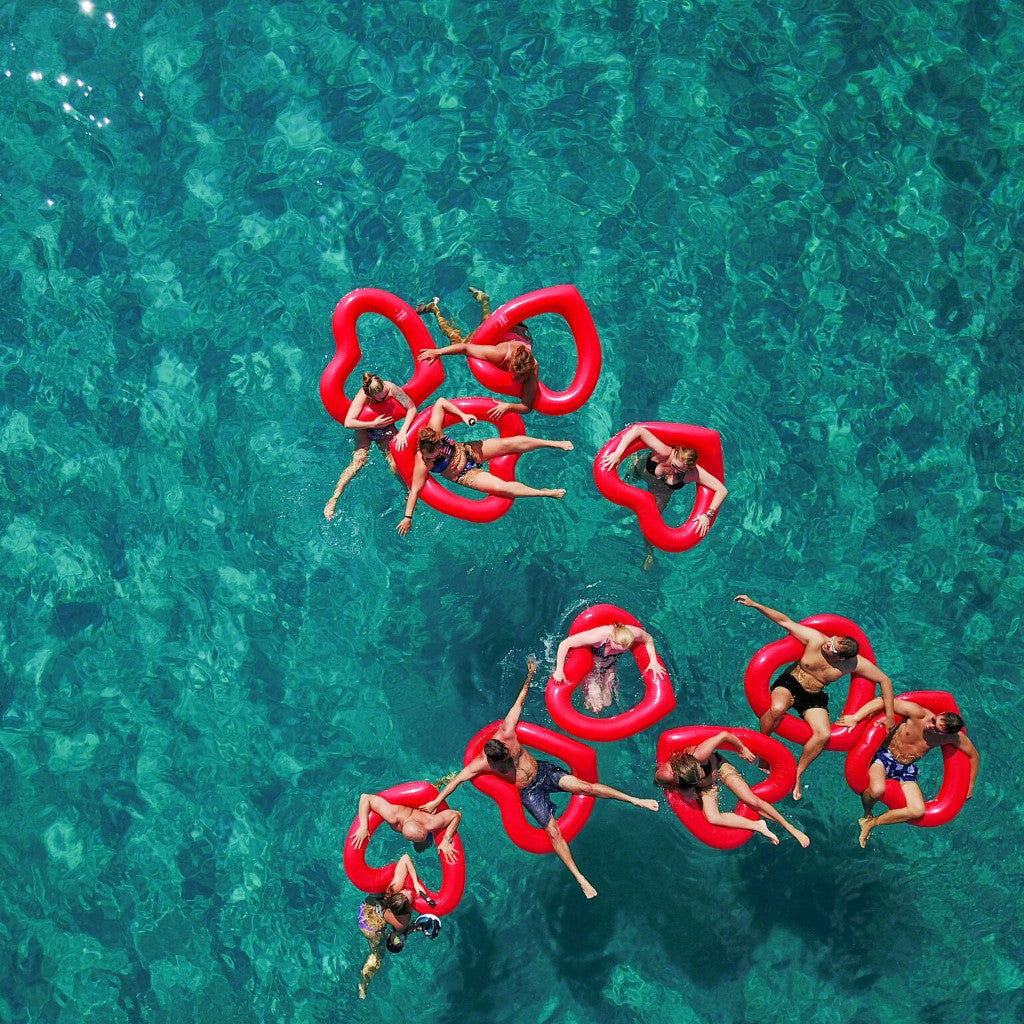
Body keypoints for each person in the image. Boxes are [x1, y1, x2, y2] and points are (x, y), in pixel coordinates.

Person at [421, 658, 659, 899]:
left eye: (507, 755)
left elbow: (519, 701)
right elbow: (458, 780)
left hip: (544, 772)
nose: (508, 760)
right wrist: (436, 800)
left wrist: (530, 674)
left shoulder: (507, 732)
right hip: (530, 792)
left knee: (585, 786)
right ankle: (580, 878)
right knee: (553, 832)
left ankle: (635, 799)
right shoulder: (482, 762)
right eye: (502, 762)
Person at [733, 595, 896, 801]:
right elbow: (785, 621)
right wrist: (755, 604)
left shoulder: (853, 664)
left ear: (842, 658)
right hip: (791, 682)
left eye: (832, 648)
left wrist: (889, 716)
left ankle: (798, 773)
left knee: (824, 735)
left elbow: (885, 681)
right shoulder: (816, 639)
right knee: (776, 709)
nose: (827, 645)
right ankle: (765, 751)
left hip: (813, 696)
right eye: (831, 641)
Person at [397, 397, 571, 535]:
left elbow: (441, 402)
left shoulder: (435, 431)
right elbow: (415, 490)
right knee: (501, 487)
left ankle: (554, 443)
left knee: (508, 444)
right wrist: (407, 517)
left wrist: (463, 415)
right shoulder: (422, 463)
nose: (431, 458)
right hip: (465, 474)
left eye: (433, 454)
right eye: (429, 457)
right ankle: (545, 492)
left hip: (468, 451)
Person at [836, 696, 980, 848]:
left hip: (906, 769)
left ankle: (871, 823)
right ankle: (868, 811)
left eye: (937, 729)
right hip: (884, 756)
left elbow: (974, 755)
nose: (930, 726)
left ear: (946, 734)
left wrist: (969, 786)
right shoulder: (918, 714)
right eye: (934, 721)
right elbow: (882, 701)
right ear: (940, 714)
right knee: (877, 790)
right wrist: (855, 717)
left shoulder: (952, 738)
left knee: (917, 810)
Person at [600, 424, 728, 570]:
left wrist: (708, 515)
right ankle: (633, 461)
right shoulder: (664, 451)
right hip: (641, 471)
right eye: (674, 466)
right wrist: (618, 452)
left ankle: (649, 553)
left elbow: (722, 490)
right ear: (676, 451)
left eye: (680, 471)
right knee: (628, 477)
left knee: (651, 528)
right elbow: (637, 430)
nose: (675, 471)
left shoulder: (692, 473)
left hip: (661, 493)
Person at [654, 731, 810, 847]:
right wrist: (682, 791)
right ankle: (758, 826)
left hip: (720, 768)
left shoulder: (701, 753)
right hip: (706, 787)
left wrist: (741, 748)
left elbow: (724, 735)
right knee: (713, 818)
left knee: (751, 800)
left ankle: (790, 827)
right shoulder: (667, 774)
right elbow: (658, 782)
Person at [416, 286, 539, 420]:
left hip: (514, 329)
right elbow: (466, 348)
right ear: (510, 366)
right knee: (456, 341)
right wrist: (437, 352)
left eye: (522, 378)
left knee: (485, 324)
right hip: (506, 327)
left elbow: (527, 406)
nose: (520, 381)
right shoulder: (500, 353)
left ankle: (484, 300)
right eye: (517, 377)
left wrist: (508, 406)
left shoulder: (530, 369)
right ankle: (435, 308)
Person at [324, 373, 416, 520]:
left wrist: (403, 432)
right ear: (370, 395)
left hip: (385, 426)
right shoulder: (363, 395)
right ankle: (334, 498)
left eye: (385, 394)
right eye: (379, 398)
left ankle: (407, 491)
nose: (384, 398)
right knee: (357, 463)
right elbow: (349, 422)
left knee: (394, 464)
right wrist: (372, 424)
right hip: (365, 427)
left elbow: (411, 408)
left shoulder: (391, 388)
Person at [356, 853, 441, 999]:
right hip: (371, 927)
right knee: (378, 955)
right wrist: (412, 929)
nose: (409, 892)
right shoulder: (402, 923)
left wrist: (415, 883)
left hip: (368, 906)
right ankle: (363, 984)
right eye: (409, 897)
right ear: (406, 913)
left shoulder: (393, 891)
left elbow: (405, 857)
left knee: (397, 933)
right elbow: (403, 933)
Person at [551, 622, 666, 713]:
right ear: (611, 638)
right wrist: (559, 669)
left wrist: (653, 661)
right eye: (616, 648)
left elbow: (648, 638)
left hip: (611, 666)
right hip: (592, 668)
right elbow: (565, 644)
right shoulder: (598, 636)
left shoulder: (632, 633)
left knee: (607, 702)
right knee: (595, 706)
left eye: (622, 650)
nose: (617, 651)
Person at [350, 793, 462, 863]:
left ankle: (424, 841)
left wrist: (447, 839)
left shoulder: (429, 822)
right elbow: (365, 798)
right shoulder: (392, 815)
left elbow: (456, 814)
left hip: (419, 818)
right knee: (419, 849)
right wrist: (364, 826)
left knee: (424, 846)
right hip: (404, 815)